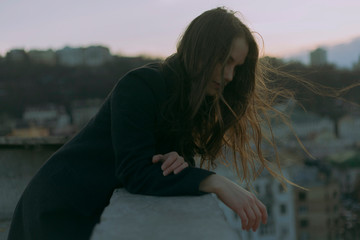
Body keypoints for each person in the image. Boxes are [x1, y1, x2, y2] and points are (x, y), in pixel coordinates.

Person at [8, 7, 277, 240]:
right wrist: (216, 182)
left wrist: (177, 160)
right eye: (226, 61)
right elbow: (135, 172)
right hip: (58, 207)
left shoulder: (184, 102)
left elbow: (158, 170)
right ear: (202, 50)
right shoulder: (141, 85)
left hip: (84, 208)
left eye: (237, 67)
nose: (230, 76)